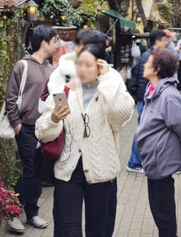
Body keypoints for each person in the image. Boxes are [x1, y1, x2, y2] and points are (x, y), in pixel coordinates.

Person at [36, 42, 135, 237]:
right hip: (68, 172)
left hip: (101, 172)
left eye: (88, 64)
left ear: (100, 65)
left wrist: (107, 79)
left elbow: (120, 116)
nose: (82, 69)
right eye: (79, 64)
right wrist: (53, 119)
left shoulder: (110, 92)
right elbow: (42, 132)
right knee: (67, 230)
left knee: (97, 231)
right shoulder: (63, 93)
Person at [5, 26, 59, 233]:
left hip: (46, 128)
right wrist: (16, 123)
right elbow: (10, 97)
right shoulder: (22, 65)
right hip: (26, 128)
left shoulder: (52, 69)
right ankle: (10, 213)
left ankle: (32, 212)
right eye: (54, 41)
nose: (57, 45)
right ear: (44, 43)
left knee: (38, 173)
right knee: (29, 171)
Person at [136, 48, 181, 237]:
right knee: (159, 212)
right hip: (153, 161)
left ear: (158, 68)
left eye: (149, 62)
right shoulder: (153, 90)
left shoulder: (168, 95)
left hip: (160, 160)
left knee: (165, 216)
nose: (144, 64)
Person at [126, 29, 170, 173]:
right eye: (165, 40)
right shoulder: (151, 56)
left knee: (146, 130)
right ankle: (133, 162)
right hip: (146, 99)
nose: (167, 43)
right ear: (157, 42)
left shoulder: (151, 55)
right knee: (142, 131)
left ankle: (145, 160)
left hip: (146, 98)